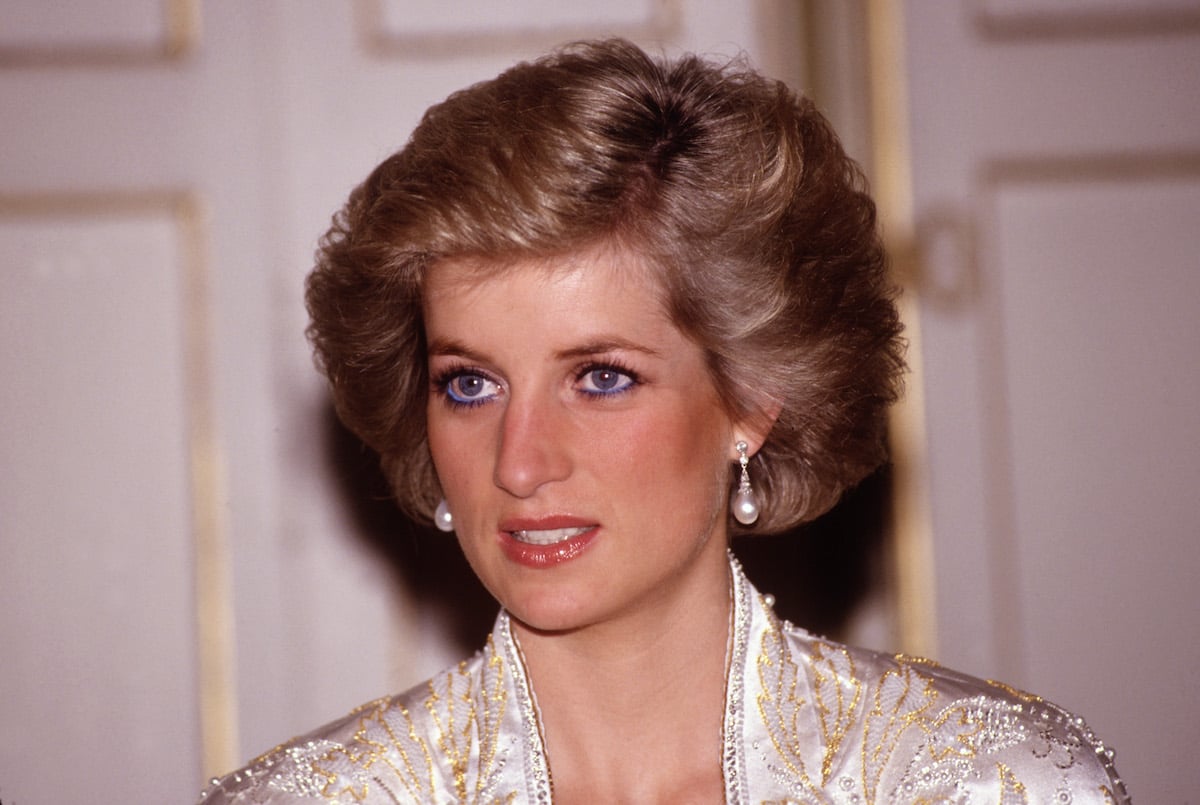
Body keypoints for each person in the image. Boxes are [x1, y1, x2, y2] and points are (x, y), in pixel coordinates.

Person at [200, 39, 1128, 803]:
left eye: (601, 377)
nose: (520, 465)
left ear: (753, 399)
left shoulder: (988, 786)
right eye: (470, 385)